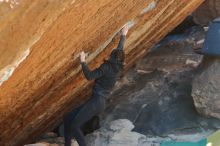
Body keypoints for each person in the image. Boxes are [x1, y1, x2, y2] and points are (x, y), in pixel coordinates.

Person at [63, 24, 129, 146]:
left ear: (112, 56)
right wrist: (123, 35)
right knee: (68, 118)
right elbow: (120, 50)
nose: (110, 53)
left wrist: (83, 61)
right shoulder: (118, 66)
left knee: (74, 125)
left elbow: (89, 76)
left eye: (111, 53)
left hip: (96, 102)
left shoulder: (106, 67)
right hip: (99, 102)